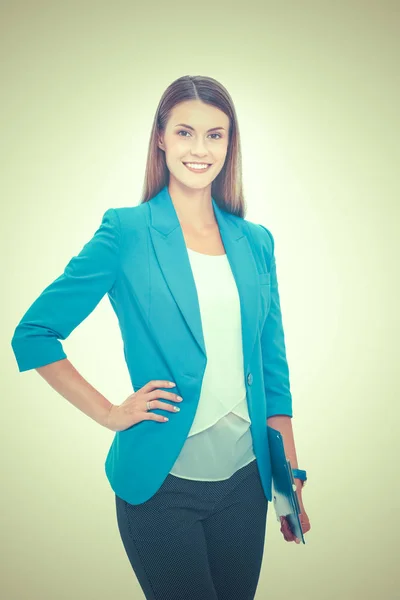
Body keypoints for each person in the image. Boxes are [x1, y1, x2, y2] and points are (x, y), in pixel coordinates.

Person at [11, 74, 310, 600]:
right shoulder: (126, 232)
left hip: (246, 484)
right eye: (186, 133)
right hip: (161, 487)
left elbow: (272, 370)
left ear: (229, 143)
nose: (200, 149)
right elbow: (34, 334)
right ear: (161, 138)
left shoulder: (255, 241)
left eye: (215, 135)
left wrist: (289, 484)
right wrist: (109, 413)